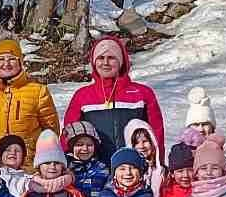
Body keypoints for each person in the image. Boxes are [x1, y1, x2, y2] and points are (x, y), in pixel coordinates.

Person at [62, 34, 164, 162]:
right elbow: (68, 135)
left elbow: (156, 133)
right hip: (96, 168)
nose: (105, 63)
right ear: (94, 62)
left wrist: (159, 164)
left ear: (121, 62)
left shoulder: (142, 93)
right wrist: (67, 164)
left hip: (133, 168)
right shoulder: (82, 95)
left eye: (111, 58)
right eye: (100, 58)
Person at [0, 38, 60, 166]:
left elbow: (50, 133)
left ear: (20, 62)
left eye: (11, 59)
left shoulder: (38, 92)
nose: (6, 64)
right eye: (0, 59)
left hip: (28, 165)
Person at [62, 122, 110, 197]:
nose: (85, 148)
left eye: (89, 145)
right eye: (79, 145)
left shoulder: (102, 169)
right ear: (72, 147)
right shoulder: (65, 168)